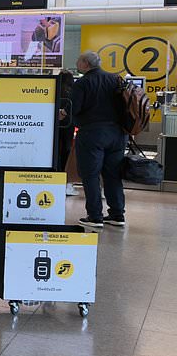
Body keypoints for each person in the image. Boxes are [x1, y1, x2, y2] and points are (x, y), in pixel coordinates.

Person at [72, 51, 128, 228]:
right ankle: (117, 215)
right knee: (113, 175)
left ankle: (95, 216)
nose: (77, 64)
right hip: (118, 134)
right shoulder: (116, 80)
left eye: (78, 61)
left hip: (92, 134)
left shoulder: (83, 83)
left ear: (85, 64)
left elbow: (75, 109)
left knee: (91, 175)